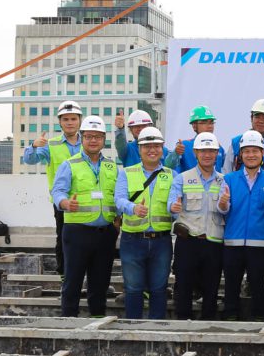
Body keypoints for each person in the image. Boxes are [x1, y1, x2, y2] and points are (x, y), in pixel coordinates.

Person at [50, 115, 117, 318]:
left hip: (105, 233)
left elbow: (118, 195)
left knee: (100, 283)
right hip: (77, 232)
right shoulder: (70, 164)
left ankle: (97, 322)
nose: (93, 140)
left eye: (97, 136)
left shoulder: (111, 166)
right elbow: (57, 191)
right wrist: (65, 203)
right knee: (73, 281)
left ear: (104, 139)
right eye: (89, 136)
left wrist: (118, 218)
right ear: (82, 137)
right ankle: (69, 323)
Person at [115, 126, 176, 320]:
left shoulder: (171, 175)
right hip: (132, 240)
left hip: (161, 241)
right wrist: (133, 208)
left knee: (159, 289)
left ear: (162, 148)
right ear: (139, 149)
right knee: (133, 289)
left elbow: (174, 205)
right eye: (147, 146)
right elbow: (119, 199)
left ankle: (156, 331)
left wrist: (176, 209)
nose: (152, 150)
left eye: (157, 146)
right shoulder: (126, 172)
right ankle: (134, 329)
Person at [219, 130, 264, 321]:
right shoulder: (229, 179)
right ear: (240, 155)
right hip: (233, 241)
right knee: (231, 284)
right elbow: (223, 210)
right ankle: (230, 316)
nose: (251, 155)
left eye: (255, 151)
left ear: (262, 154)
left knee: (258, 284)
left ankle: (260, 317)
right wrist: (223, 203)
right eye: (247, 151)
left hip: (259, 242)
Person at [23, 99, 84, 276]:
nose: (70, 123)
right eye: (66, 119)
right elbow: (30, 160)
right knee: (64, 240)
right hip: (62, 202)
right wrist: (34, 146)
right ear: (60, 122)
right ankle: (65, 276)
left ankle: (85, 277)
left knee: (88, 242)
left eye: (73, 119)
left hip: (86, 202)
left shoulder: (88, 143)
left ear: (80, 120)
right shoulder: (51, 145)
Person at [170, 132, 226, 321]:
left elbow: (226, 210)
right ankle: (182, 327)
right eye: (203, 151)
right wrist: (173, 207)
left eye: (211, 151)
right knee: (183, 286)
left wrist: (225, 205)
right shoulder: (182, 178)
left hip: (214, 242)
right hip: (188, 242)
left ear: (217, 153)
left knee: (211, 289)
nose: (207, 155)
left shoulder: (224, 181)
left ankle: (208, 327)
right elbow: (172, 206)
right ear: (195, 152)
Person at [168, 106, 226, 174]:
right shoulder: (184, 146)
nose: (210, 126)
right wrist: (175, 153)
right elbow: (168, 166)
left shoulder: (219, 148)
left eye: (211, 122)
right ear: (194, 126)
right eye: (204, 122)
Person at [230, 99, 264, 173]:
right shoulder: (236, 142)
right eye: (257, 117)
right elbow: (227, 171)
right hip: (237, 184)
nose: (261, 121)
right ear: (251, 118)